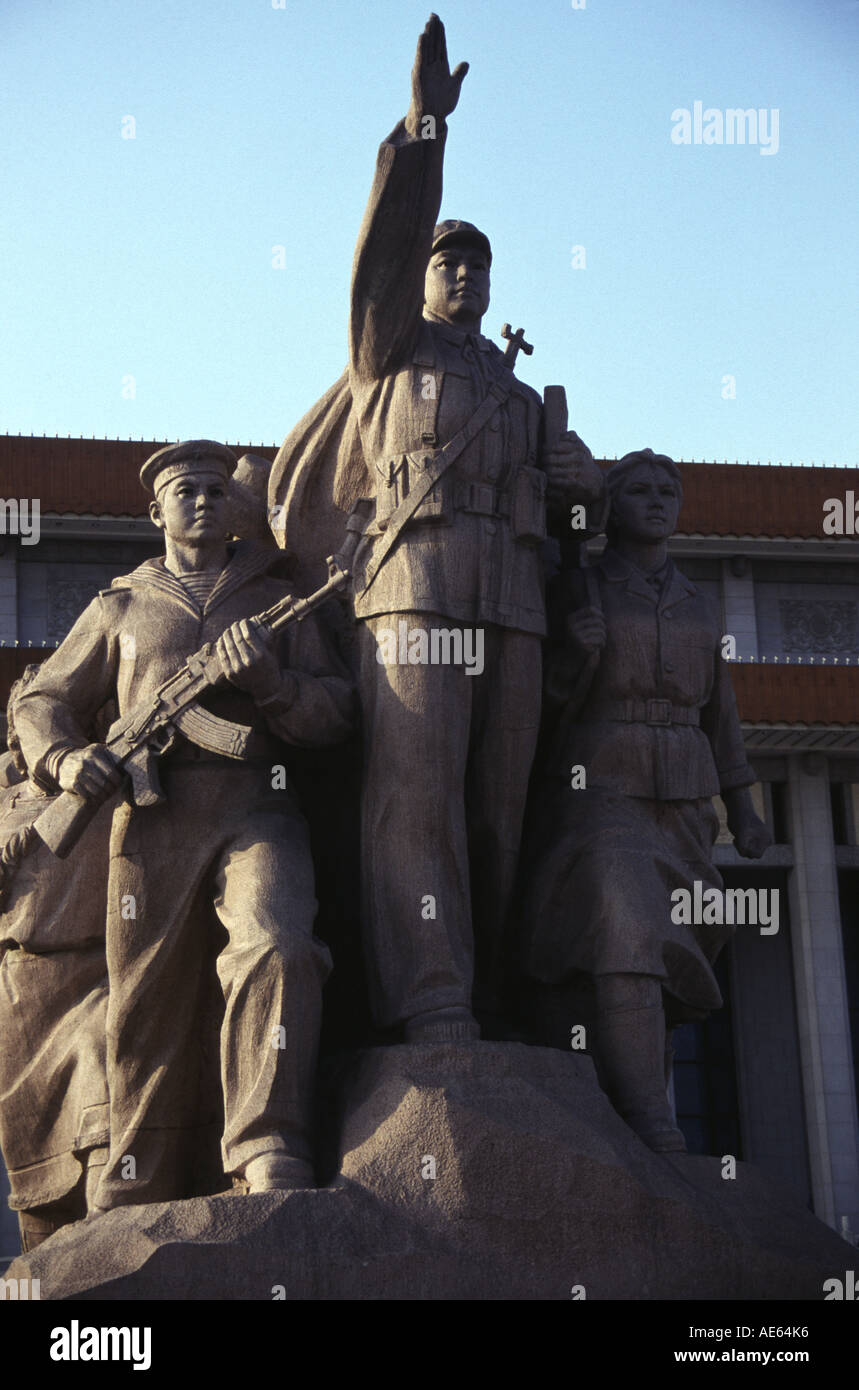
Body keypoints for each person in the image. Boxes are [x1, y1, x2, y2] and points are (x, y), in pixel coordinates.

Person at [269, 15, 604, 1043]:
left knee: (499, 810)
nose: (461, 276)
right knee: (412, 798)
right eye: (446, 262)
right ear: (418, 278)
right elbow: (378, 255)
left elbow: (578, 520)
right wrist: (424, 131)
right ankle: (431, 998)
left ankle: (492, 984)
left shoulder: (513, 391)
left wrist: (575, 490)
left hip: (509, 593)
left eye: (476, 266)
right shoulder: (385, 351)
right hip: (410, 584)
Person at [13, 440, 354, 1208]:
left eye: (213, 490)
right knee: (146, 1003)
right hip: (151, 816)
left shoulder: (277, 597)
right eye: (185, 491)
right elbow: (41, 701)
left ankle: (270, 1145)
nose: (202, 501)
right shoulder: (120, 606)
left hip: (256, 803)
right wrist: (67, 763)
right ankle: (137, 1179)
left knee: (278, 947)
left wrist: (271, 683)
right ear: (155, 510)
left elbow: (336, 712)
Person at [520, 449, 771, 1151]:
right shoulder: (579, 585)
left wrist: (743, 810)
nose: (658, 501)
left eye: (669, 491)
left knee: (664, 953)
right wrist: (573, 656)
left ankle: (633, 1100)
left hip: (684, 797)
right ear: (611, 506)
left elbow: (719, 712)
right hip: (599, 784)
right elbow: (533, 709)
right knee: (626, 931)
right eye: (640, 491)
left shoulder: (698, 600)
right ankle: (651, 1122)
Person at [0, 667, 113, 1249]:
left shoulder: (109, 782)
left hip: (99, 976)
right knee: (38, 1177)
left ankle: (107, 1253)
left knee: (104, 1079)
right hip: (26, 992)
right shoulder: (4, 799)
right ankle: (46, 1286)